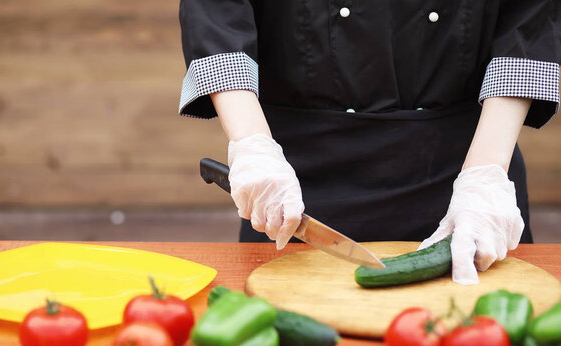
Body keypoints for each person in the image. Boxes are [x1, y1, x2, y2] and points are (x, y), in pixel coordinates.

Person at [178, 1, 560, 285]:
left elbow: (528, 22)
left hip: (467, 178)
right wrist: (252, 146)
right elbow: (217, 13)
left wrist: (486, 175)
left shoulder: (479, 180)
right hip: (293, 190)